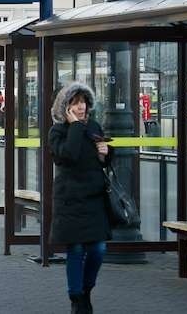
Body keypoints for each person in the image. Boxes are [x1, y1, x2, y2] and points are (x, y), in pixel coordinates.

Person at [49, 82, 112, 314]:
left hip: (94, 199)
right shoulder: (57, 131)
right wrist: (75, 126)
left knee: (98, 249)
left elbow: (100, 160)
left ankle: (86, 290)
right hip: (70, 200)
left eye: (83, 102)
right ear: (66, 107)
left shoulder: (94, 126)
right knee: (75, 250)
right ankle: (76, 298)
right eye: (75, 103)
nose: (81, 107)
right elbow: (69, 155)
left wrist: (106, 154)